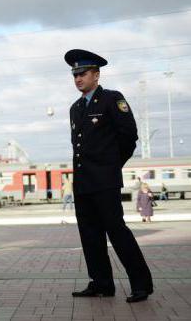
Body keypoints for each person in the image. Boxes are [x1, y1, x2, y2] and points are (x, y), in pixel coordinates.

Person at [66, 48, 153, 303]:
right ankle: (101, 283)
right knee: (90, 235)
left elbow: (129, 137)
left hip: (104, 181)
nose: (78, 79)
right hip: (83, 183)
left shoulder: (112, 99)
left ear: (96, 75)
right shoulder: (75, 108)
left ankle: (141, 284)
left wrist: (112, 165)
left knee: (117, 231)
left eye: (83, 74)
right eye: (75, 75)